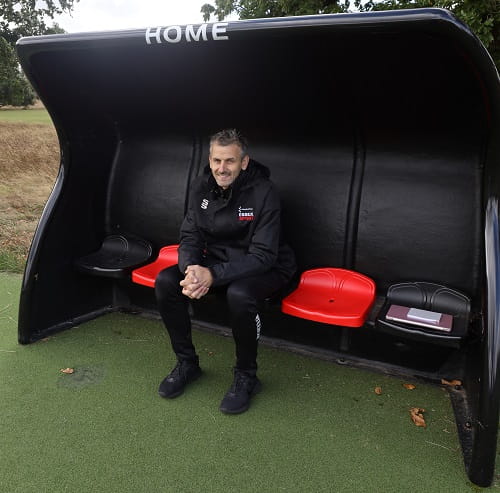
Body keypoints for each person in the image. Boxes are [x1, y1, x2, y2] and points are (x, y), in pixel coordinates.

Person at [155, 129, 296, 414]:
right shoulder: (201, 186)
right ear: (209, 159)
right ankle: (187, 364)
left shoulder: (264, 192)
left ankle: (247, 376)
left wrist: (214, 275)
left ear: (244, 162)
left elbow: (263, 255)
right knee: (166, 281)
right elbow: (190, 236)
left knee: (240, 294)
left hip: (268, 266)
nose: (222, 168)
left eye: (230, 161)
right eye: (217, 160)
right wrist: (192, 270)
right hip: (217, 262)